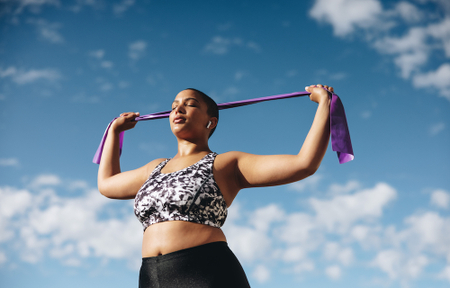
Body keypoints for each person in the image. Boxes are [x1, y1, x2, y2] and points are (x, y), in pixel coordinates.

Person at [97, 84, 333, 288]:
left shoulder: (226, 164)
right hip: (151, 276)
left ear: (211, 121)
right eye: (173, 106)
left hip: (206, 270)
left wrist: (324, 103)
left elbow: (304, 164)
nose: (178, 109)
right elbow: (107, 184)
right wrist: (114, 132)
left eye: (190, 104)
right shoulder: (154, 168)